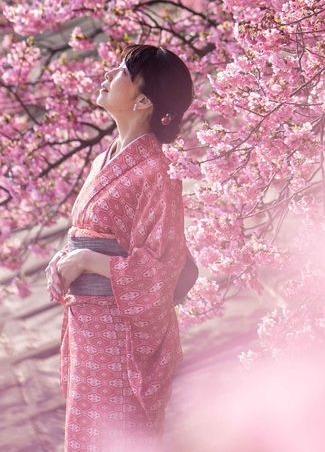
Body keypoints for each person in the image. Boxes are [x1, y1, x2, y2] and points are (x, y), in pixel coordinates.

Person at [46, 44, 194, 451]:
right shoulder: (105, 159)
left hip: (119, 332)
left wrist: (89, 260)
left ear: (143, 100)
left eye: (122, 71)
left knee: (115, 438)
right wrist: (65, 260)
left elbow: (162, 268)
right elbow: (87, 232)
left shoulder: (158, 170)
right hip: (88, 326)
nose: (109, 73)